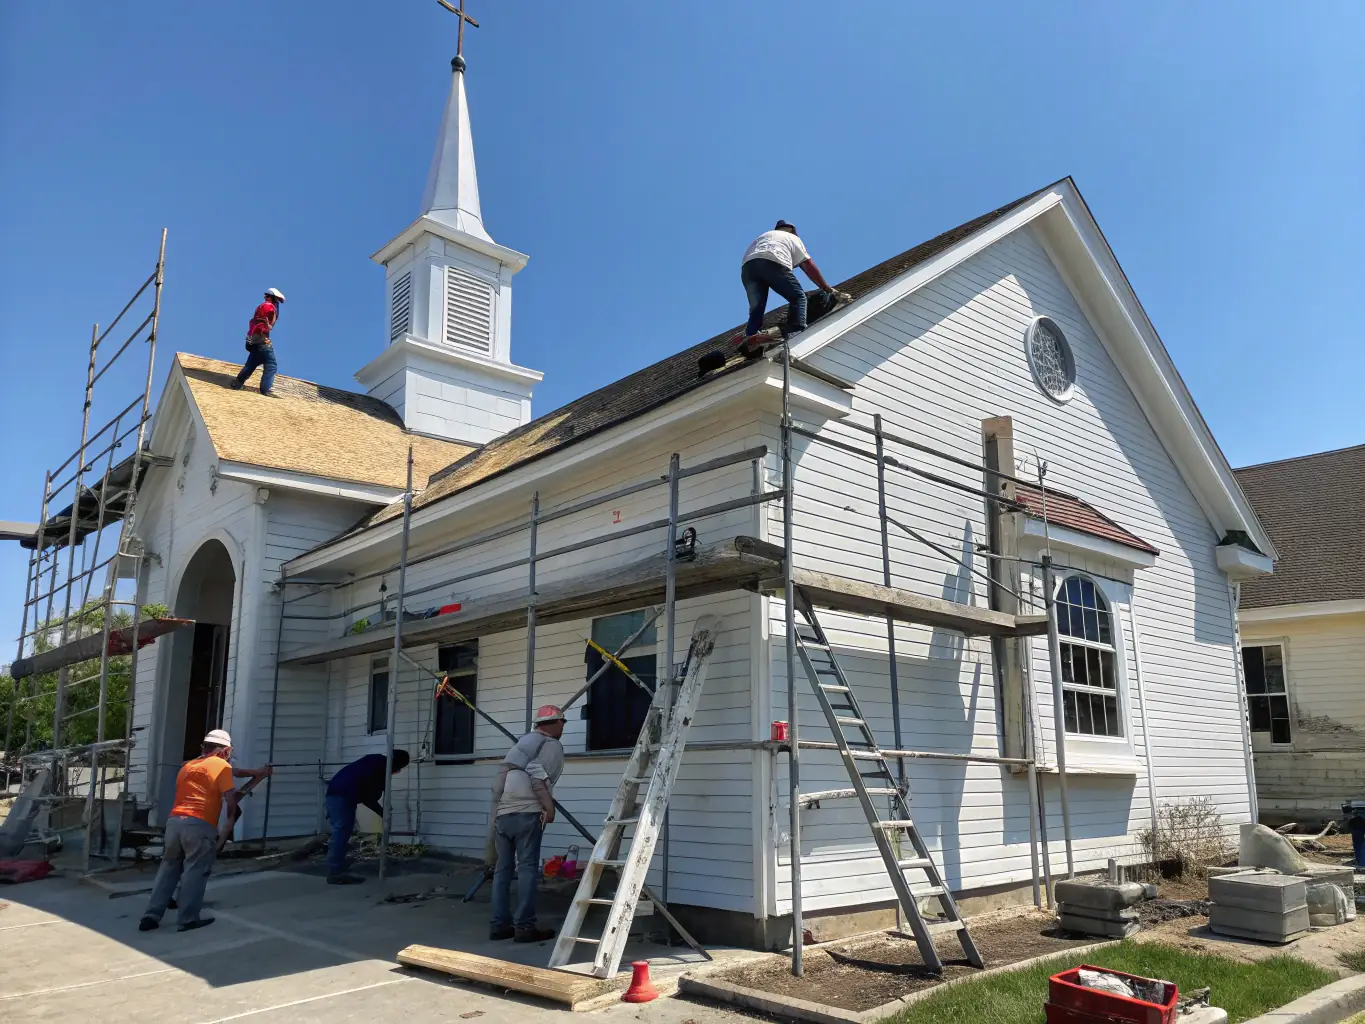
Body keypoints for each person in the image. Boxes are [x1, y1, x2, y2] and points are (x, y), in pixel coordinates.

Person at [138, 730, 272, 932]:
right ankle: (188, 919)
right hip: (199, 825)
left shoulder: (188, 766)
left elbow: (232, 772)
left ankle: (150, 916)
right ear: (225, 751)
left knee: (168, 869)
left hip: (174, 823)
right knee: (195, 871)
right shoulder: (222, 765)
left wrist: (256, 773)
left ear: (205, 747)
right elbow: (230, 798)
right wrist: (230, 821)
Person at [489, 705, 566, 942]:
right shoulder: (551, 745)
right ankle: (524, 927)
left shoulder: (522, 745)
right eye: (562, 722)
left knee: (502, 870)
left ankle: (499, 925)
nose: (563, 726)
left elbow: (499, 781)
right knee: (527, 869)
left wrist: (497, 811)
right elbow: (537, 777)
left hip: (504, 814)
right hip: (527, 813)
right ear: (553, 723)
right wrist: (549, 807)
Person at [740, 221, 849, 346]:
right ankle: (795, 330)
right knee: (798, 297)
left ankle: (751, 338)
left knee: (757, 307)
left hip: (748, 267)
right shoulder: (792, 238)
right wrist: (827, 288)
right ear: (793, 231)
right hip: (772, 261)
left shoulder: (765, 236)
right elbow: (808, 266)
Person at [323, 749, 410, 884]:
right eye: (399, 769)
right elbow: (367, 797)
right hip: (342, 796)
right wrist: (383, 813)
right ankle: (335, 872)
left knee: (342, 832)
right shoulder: (379, 768)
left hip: (338, 794)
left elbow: (371, 792)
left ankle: (337, 865)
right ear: (397, 764)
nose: (396, 772)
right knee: (341, 832)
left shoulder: (375, 761)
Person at [232, 287, 286, 396]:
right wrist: (265, 330)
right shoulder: (269, 308)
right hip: (261, 340)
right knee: (271, 365)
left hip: (252, 340)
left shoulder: (261, 306)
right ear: (273, 299)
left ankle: (237, 383)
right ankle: (265, 390)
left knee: (253, 362)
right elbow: (263, 323)